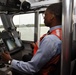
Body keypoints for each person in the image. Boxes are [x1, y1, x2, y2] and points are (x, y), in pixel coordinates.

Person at [1, 2, 62, 75]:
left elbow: (32, 68)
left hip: (41, 71)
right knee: (25, 57)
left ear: (52, 16)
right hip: (49, 68)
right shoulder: (61, 33)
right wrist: (37, 47)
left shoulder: (50, 40)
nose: (44, 17)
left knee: (8, 71)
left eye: (45, 14)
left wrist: (9, 61)